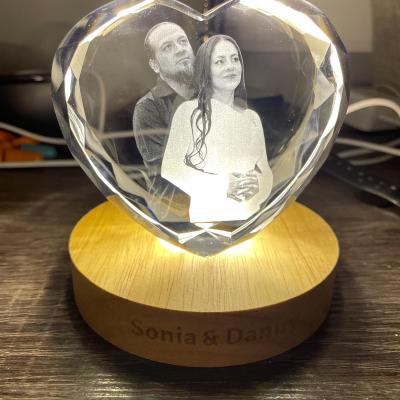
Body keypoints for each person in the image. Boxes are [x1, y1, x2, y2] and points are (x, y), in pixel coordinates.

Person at [161, 35, 273, 223]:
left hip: (249, 219)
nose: (230, 67)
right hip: (208, 222)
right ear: (206, 70)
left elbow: (266, 172)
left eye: (235, 59)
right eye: (220, 61)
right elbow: (170, 168)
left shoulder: (252, 118)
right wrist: (224, 185)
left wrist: (258, 185)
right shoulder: (189, 112)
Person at [132, 22, 195, 219]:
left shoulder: (216, 93)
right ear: (154, 65)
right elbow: (168, 174)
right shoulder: (148, 108)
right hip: (175, 215)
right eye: (167, 47)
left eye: (182, 41)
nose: (180, 49)